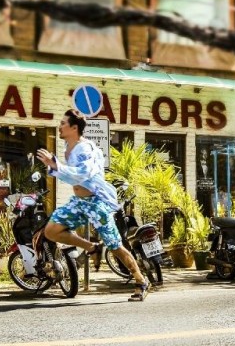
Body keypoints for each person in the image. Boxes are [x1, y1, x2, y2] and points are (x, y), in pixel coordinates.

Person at [36, 109, 150, 301]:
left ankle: (141, 280)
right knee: (51, 231)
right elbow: (70, 176)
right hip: (80, 202)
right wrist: (56, 167)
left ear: (74, 128)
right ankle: (91, 247)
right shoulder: (68, 146)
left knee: (115, 246)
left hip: (97, 203)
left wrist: (56, 165)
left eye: (63, 123)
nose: (59, 126)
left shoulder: (84, 148)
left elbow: (83, 173)